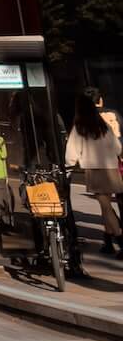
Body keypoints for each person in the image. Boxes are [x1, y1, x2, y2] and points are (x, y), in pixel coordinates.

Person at [65, 91, 123, 256]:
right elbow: (118, 148)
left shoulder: (80, 127)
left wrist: (69, 166)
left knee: (105, 207)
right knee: (105, 207)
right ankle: (108, 243)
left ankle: (120, 238)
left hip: (95, 170)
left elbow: (71, 153)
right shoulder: (103, 126)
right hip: (111, 168)